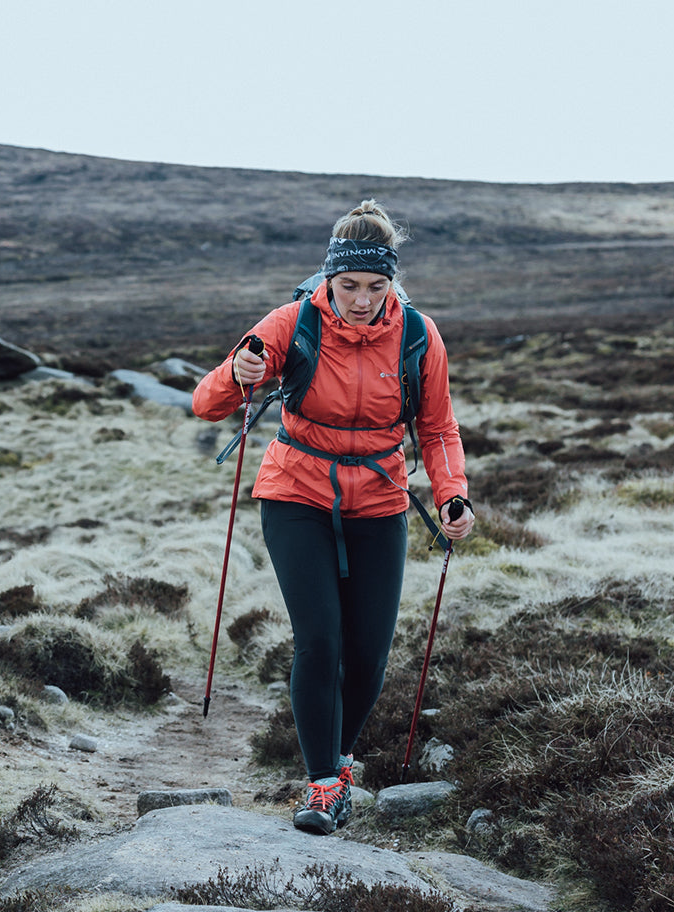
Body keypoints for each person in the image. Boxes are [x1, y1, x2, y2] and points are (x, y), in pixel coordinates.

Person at [192, 200, 475, 836]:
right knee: (320, 638)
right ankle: (322, 784)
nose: (361, 300)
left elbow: (437, 426)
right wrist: (238, 371)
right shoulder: (292, 321)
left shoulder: (418, 337)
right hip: (296, 493)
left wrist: (453, 491)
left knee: (368, 653)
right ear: (328, 279)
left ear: (392, 282)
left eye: (376, 287)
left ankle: (340, 764)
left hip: (379, 498)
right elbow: (206, 403)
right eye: (348, 286)